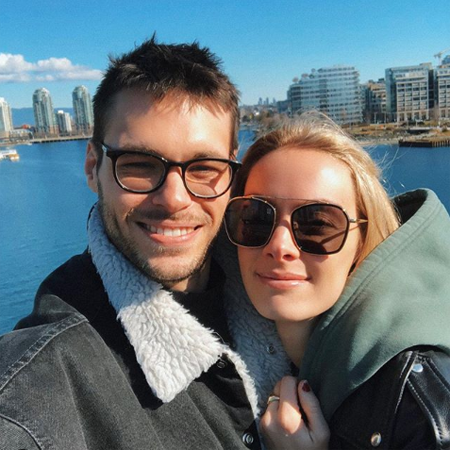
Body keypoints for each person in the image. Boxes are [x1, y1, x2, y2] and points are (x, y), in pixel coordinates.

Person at [0, 37, 292, 450]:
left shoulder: (285, 295)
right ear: (92, 167)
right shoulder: (41, 383)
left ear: (231, 174)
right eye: (139, 164)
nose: (174, 198)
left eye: (204, 167)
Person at [224, 112, 450, 449]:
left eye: (317, 224)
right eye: (255, 218)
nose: (279, 247)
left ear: (362, 241)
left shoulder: (419, 407)